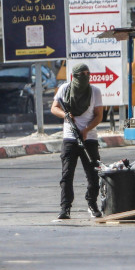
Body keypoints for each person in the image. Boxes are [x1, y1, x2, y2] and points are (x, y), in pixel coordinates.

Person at [50, 64, 104, 219]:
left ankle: (92, 204)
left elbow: (99, 115)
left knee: (93, 174)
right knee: (67, 175)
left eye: (88, 73)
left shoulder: (95, 91)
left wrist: (86, 130)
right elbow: (54, 107)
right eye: (82, 74)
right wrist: (65, 115)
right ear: (74, 76)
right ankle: (65, 208)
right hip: (69, 138)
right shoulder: (64, 90)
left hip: (89, 138)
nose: (86, 76)